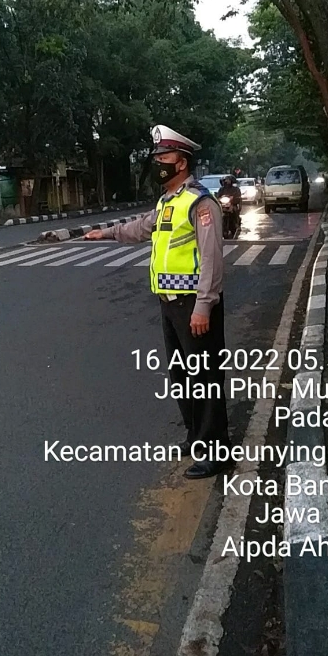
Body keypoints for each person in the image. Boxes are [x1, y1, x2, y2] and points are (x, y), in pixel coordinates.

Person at [85, 125, 231, 479]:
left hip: (193, 305)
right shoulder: (168, 202)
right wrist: (106, 233)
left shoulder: (200, 203)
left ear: (182, 163)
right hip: (170, 304)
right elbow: (141, 228)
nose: (158, 164)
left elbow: (211, 260)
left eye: (164, 157)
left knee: (204, 377)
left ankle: (217, 450)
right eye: (157, 158)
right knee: (181, 376)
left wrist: (203, 306)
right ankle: (196, 436)